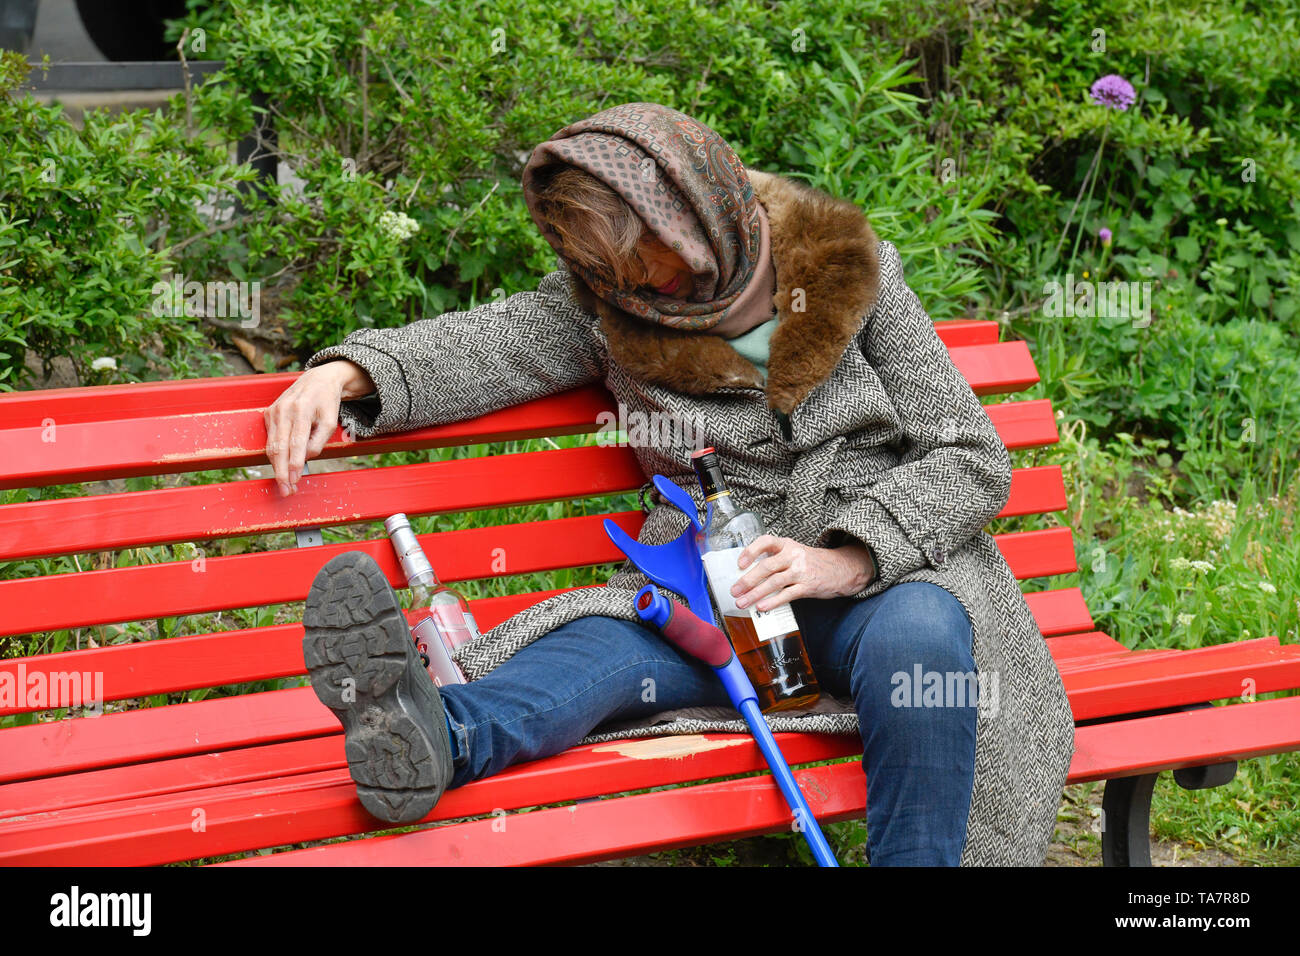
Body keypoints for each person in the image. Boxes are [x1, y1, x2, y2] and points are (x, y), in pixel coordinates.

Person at [264, 101, 1076, 866]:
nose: (651, 289)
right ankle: (438, 734)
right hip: (715, 591)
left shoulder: (851, 269)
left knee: (921, 648)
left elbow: (970, 454)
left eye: (663, 263)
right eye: (623, 275)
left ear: (701, 211)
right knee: (601, 652)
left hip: (881, 587)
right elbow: (491, 342)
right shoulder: (612, 305)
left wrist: (844, 558)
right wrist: (349, 371)